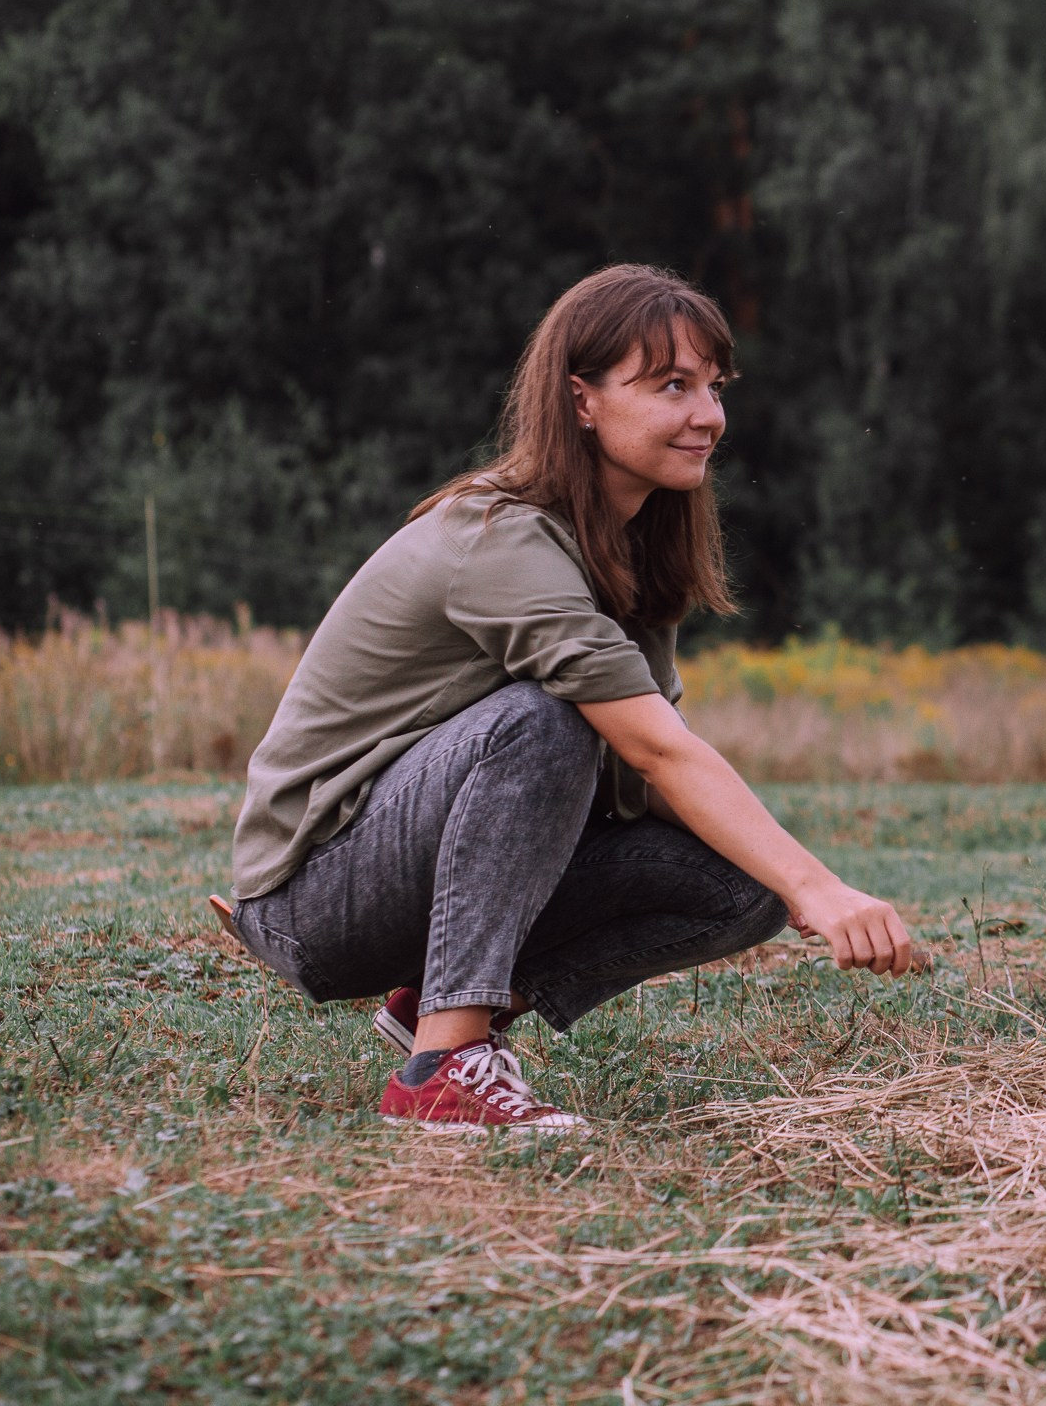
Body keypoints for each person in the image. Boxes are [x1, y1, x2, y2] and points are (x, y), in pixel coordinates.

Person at [219, 264, 916, 1131]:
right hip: (315, 896)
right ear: (582, 400)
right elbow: (652, 745)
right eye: (671, 385)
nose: (708, 415)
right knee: (542, 721)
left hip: (407, 874)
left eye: (714, 386)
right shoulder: (500, 537)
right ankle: (443, 1069)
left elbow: (642, 773)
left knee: (746, 883)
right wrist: (822, 888)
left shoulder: (626, 549)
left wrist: (789, 881)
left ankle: (439, 1001)